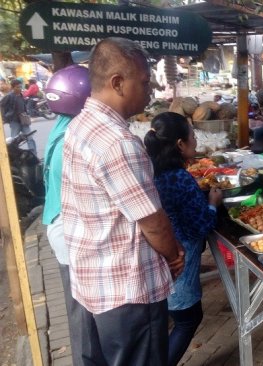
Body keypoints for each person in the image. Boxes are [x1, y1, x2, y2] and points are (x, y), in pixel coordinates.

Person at [60, 37, 184, 365]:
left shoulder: (79, 126)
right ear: (117, 83)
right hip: (127, 291)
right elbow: (153, 223)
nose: (150, 89)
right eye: (144, 82)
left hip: (93, 282)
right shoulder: (118, 143)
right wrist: (174, 256)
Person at [144, 112, 222, 365]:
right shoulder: (178, 178)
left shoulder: (151, 170)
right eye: (192, 135)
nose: (196, 140)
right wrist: (212, 203)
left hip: (157, 259)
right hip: (179, 258)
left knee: (172, 317)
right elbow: (201, 226)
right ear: (180, 144)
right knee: (188, 319)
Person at [42, 64, 94, 366]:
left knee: (83, 310)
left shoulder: (62, 127)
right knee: (83, 315)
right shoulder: (69, 144)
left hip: (60, 228)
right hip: (69, 235)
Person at [1, 79, 36, 153]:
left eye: (20, 87)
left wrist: (27, 115)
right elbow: (1, 105)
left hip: (24, 121)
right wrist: (4, 117)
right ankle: (14, 157)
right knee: (14, 141)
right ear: (13, 87)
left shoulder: (21, 95)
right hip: (14, 122)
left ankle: (34, 156)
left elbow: (24, 107)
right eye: (17, 87)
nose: (20, 89)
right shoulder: (9, 96)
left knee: (30, 138)